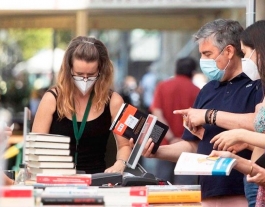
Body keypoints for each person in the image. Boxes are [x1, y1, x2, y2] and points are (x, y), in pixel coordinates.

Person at [140, 19, 263, 207]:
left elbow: (258, 123)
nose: (203, 61)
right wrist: (157, 151)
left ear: (229, 51)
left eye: (208, 54)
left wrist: (209, 115)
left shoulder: (256, 86)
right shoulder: (207, 90)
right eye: (201, 55)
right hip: (206, 194)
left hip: (245, 192)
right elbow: (194, 147)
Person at [32, 36, 131, 174]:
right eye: (79, 74)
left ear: (101, 71)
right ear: (69, 69)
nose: (85, 80)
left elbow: (125, 145)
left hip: (97, 181)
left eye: (91, 74)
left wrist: (120, 163)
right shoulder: (52, 98)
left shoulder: (114, 101)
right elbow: (37, 145)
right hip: (55, 180)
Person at [209, 20, 265, 207]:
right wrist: (244, 146)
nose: (245, 60)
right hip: (255, 180)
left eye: (247, 53)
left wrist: (241, 134)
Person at [149, 57, 200, 184]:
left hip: (164, 145)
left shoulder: (162, 86)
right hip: (188, 147)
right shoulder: (197, 91)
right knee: (185, 191)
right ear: (193, 72)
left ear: (176, 69)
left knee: (162, 187)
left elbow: (157, 114)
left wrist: (171, 138)